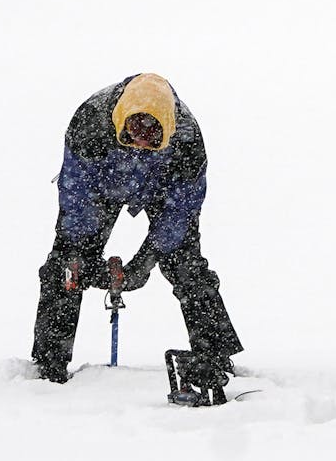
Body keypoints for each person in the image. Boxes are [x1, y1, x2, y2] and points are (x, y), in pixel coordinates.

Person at [31, 73, 242, 389]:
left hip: (162, 189)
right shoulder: (90, 122)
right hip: (99, 186)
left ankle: (215, 355)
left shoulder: (187, 141)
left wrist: (144, 262)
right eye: (133, 133)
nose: (141, 144)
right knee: (66, 267)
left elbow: (180, 212)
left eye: (152, 137)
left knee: (185, 265)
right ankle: (49, 364)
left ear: (167, 131)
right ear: (120, 122)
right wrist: (80, 249)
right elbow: (76, 194)